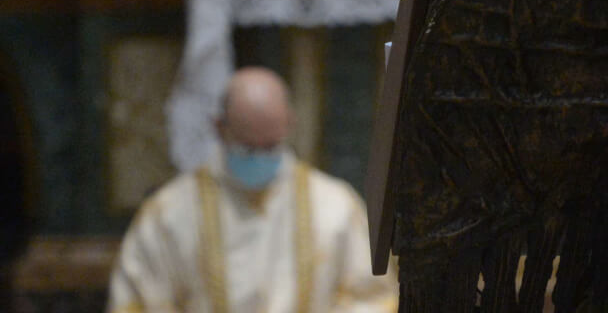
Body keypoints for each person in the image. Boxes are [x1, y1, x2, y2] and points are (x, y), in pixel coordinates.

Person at [108, 67, 396, 313]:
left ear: (289, 124)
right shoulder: (167, 215)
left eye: (270, 148)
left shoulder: (335, 207)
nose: (259, 158)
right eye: (247, 148)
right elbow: (137, 300)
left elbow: (372, 298)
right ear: (219, 128)